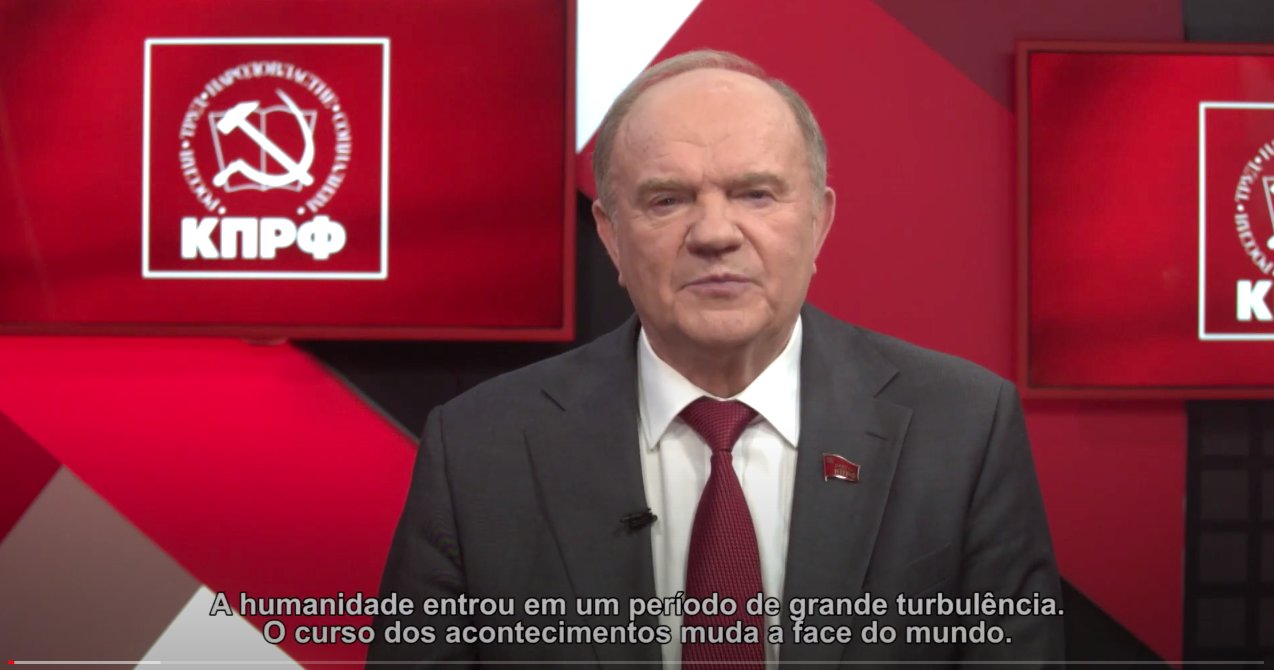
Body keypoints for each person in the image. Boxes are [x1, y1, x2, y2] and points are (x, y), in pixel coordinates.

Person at [369, 49, 1063, 667]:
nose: (714, 233)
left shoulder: (963, 429)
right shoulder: (480, 448)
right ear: (610, 236)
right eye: (667, 200)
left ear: (818, 222)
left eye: (755, 193)